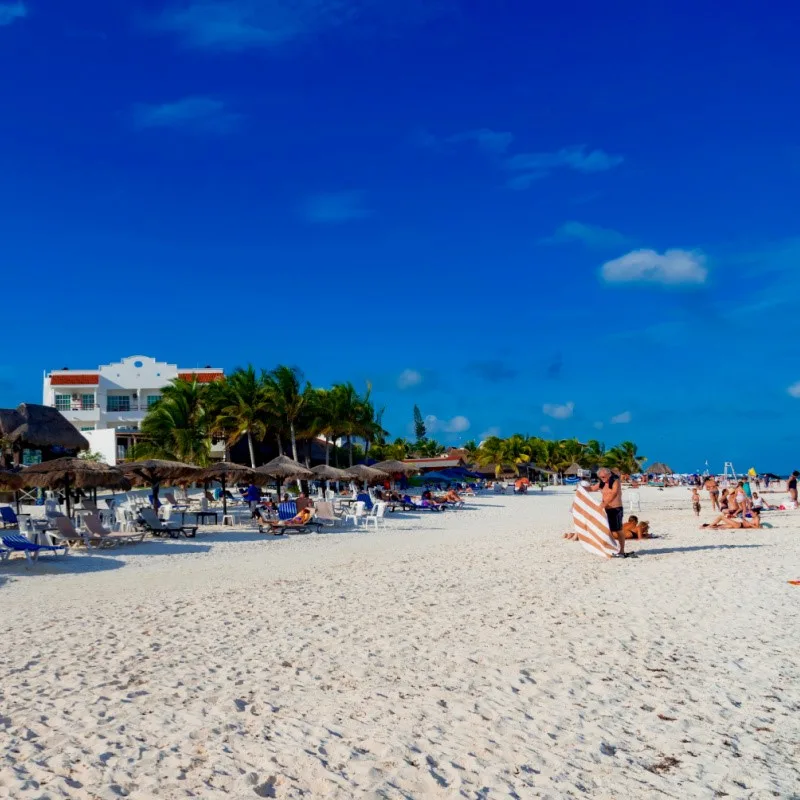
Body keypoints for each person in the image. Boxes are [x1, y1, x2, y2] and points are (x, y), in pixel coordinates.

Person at [586, 467, 627, 557]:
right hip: (606, 509)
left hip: (616, 508)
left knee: (618, 530)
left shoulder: (615, 481)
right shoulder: (602, 482)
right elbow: (592, 488)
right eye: (600, 477)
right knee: (607, 529)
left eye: (603, 477)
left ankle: (622, 550)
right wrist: (583, 488)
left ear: (609, 474)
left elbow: (614, 493)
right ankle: (610, 548)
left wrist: (604, 503)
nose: (602, 478)